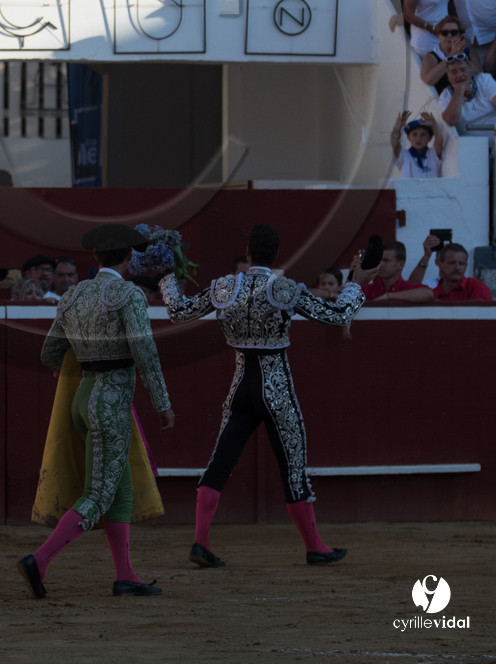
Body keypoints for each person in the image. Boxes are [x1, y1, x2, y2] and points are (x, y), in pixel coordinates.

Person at [160, 223, 365, 568]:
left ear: (249, 251)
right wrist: (355, 283)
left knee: (220, 463)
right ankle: (314, 545)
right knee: (293, 466)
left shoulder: (225, 286)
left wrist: (168, 275)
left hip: (241, 386)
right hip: (276, 387)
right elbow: (338, 315)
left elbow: (177, 311)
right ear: (276, 253)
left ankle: (201, 541)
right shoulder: (284, 288)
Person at [18, 223, 173, 599]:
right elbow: (144, 352)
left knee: (118, 490)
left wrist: (83, 361)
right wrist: (162, 403)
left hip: (83, 396)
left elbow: (49, 354)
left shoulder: (73, 295)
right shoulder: (127, 294)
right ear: (129, 257)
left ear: (96, 257)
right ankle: (39, 560)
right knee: (100, 494)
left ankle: (126, 576)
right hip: (111, 403)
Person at [357, 240, 434, 303]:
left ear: (400, 264)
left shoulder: (407, 287)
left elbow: (429, 294)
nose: (380, 264)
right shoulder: (370, 289)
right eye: (379, 260)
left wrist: (389, 296)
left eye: (386, 260)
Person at [438, 52, 496, 133]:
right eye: (454, 72)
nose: (459, 75)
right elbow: (451, 121)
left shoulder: (484, 79)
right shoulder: (445, 95)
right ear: (448, 77)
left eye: (462, 69)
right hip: (469, 143)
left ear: (470, 71)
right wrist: (460, 89)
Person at [390, 111, 443, 178]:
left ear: (429, 138)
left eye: (423, 135)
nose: (418, 138)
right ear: (408, 137)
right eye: (414, 134)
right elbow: (394, 144)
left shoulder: (432, 154)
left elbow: (439, 140)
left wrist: (434, 125)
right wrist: (397, 129)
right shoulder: (404, 155)